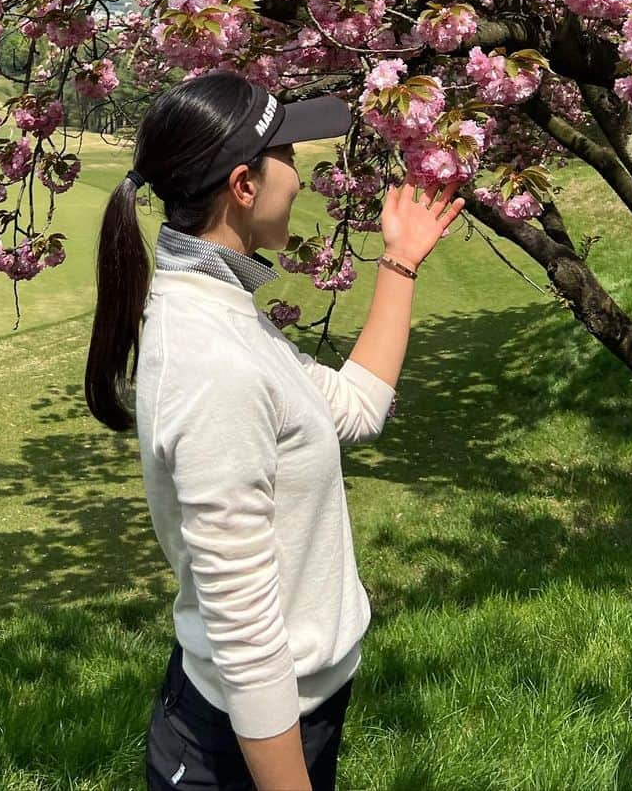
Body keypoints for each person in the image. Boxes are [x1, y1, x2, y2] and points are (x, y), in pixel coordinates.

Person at [86, 72, 465, 791]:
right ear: (245, 186)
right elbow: (245, 631)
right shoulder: (213, 363)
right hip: (246, 744)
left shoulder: (224, 314)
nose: (303, 174)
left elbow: (352, 406)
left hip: (292, 716)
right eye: (287, 155)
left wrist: (401, 261)